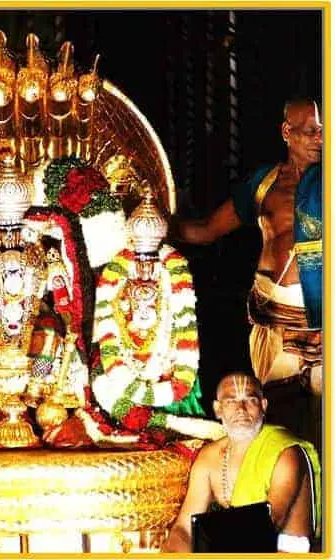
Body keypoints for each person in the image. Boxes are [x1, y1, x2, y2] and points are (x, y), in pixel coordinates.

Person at [174, 99, 322, 452]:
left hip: (321, 319)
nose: (320, 139)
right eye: (310, 132)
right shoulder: (264, 183)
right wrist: (153, 223)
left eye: (325, 133)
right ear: (287, 132)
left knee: (323, 421)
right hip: (270, 317)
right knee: (277, 422)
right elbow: (207, 231)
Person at [163, 372, 320, 553]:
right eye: (231, 401)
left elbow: (268, 524)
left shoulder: (285, 453)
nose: (241, 409)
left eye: (250, 400)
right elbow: (184, 529)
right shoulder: (209, 457)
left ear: (263, 405)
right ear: (217, 409)